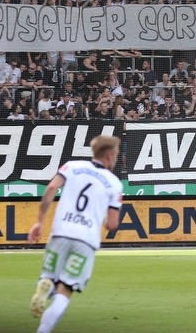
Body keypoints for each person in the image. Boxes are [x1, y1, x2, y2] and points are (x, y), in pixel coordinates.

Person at [27, 135, 122, 333]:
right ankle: (42, 330)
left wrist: (39, 221)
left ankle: (47, 285)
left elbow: (52, 187)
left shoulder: (71, 166)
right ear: (109, 156)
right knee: (66, 290)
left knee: (50, 278)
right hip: (85, 240)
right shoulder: (114, 183)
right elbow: (112, 224)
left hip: (60, 232)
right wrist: (103, 218)